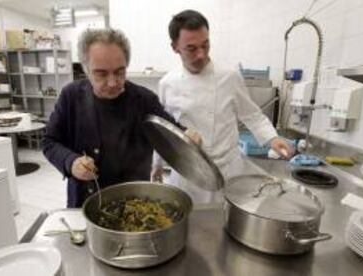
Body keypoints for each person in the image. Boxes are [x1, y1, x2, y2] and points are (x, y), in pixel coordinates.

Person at [42, 28, 200, 208]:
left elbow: (171, 130)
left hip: (135, 204)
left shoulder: (144, 100)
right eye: (101, 74)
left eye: (119, 72)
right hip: (85, 203)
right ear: (86, 70)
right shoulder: (71, 96)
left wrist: (187, 134)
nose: (112, 82)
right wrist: (71, 162)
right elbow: (49, 142)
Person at [152, 10, 294, 202]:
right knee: (190, 226)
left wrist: (272, 138)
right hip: (188, 174)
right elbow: (162, 131)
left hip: (227, 172)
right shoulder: (167, 84)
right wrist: (157, 164)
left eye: (206, 45)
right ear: (175, 47)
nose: (201, 54)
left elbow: (252, 115)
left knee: (224, 226)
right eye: (192, 49)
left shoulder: (229, 77)